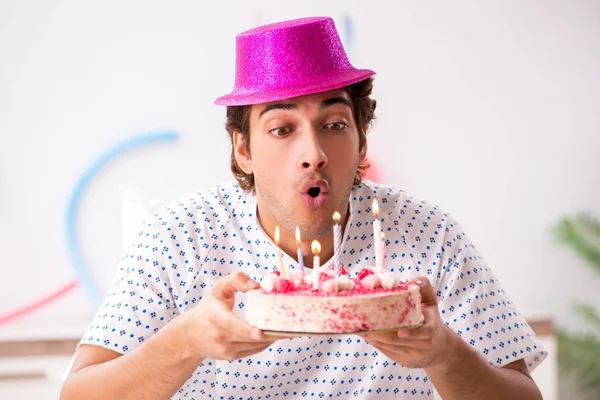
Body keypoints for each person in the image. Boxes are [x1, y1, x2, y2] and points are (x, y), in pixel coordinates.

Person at [60, 16, 546, 400]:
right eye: (281, 129)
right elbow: (78, 395)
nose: (313, 152)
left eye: (334, 124)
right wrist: (184, 341)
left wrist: (443, 353)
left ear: (360, 140)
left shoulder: (428, 234)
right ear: (243, 149)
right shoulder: (180, 236)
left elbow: (524, 397)